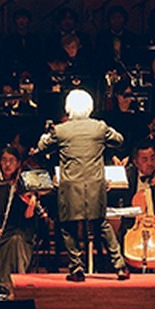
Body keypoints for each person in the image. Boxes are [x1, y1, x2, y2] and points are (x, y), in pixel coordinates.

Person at [35, 89, 130, 282]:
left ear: (68, 108)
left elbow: (42, 147)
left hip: (71, 187)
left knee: (67, 226)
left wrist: (46, 135)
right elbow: (119, 140)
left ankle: (76, 268)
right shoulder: (99, 127)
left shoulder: (61, 130)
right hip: (95, 185)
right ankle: (120, 266)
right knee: (101, 224)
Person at [0, 146, 44, 294]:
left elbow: (28, 217)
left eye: (11, 161)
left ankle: (7, 284)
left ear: (18, 163)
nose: (7, 164)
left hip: (19, 229)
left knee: (15, 240)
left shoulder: (23, 183)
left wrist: (32, 203)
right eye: (4, 160)